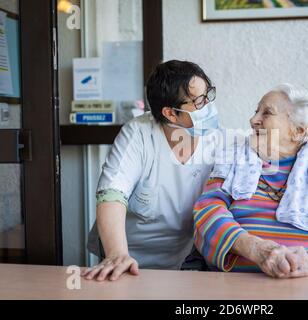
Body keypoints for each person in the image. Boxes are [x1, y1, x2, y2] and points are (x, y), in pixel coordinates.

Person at [193, 84, 308, 278]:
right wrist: (254, 248)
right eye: (256, 112)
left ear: (298, 131)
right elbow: (207, 211)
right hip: (237, 284)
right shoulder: (233, 159)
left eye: (267, 113)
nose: (253, 120)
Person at [83, 60, 220, 281]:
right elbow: (112, 193)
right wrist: (117, 254)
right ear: (171, 113)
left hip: (184, 258)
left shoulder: (215, 139)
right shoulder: (138, 134)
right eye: (199, 101)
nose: (208, 105)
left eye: (208, 95)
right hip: (127, 255)